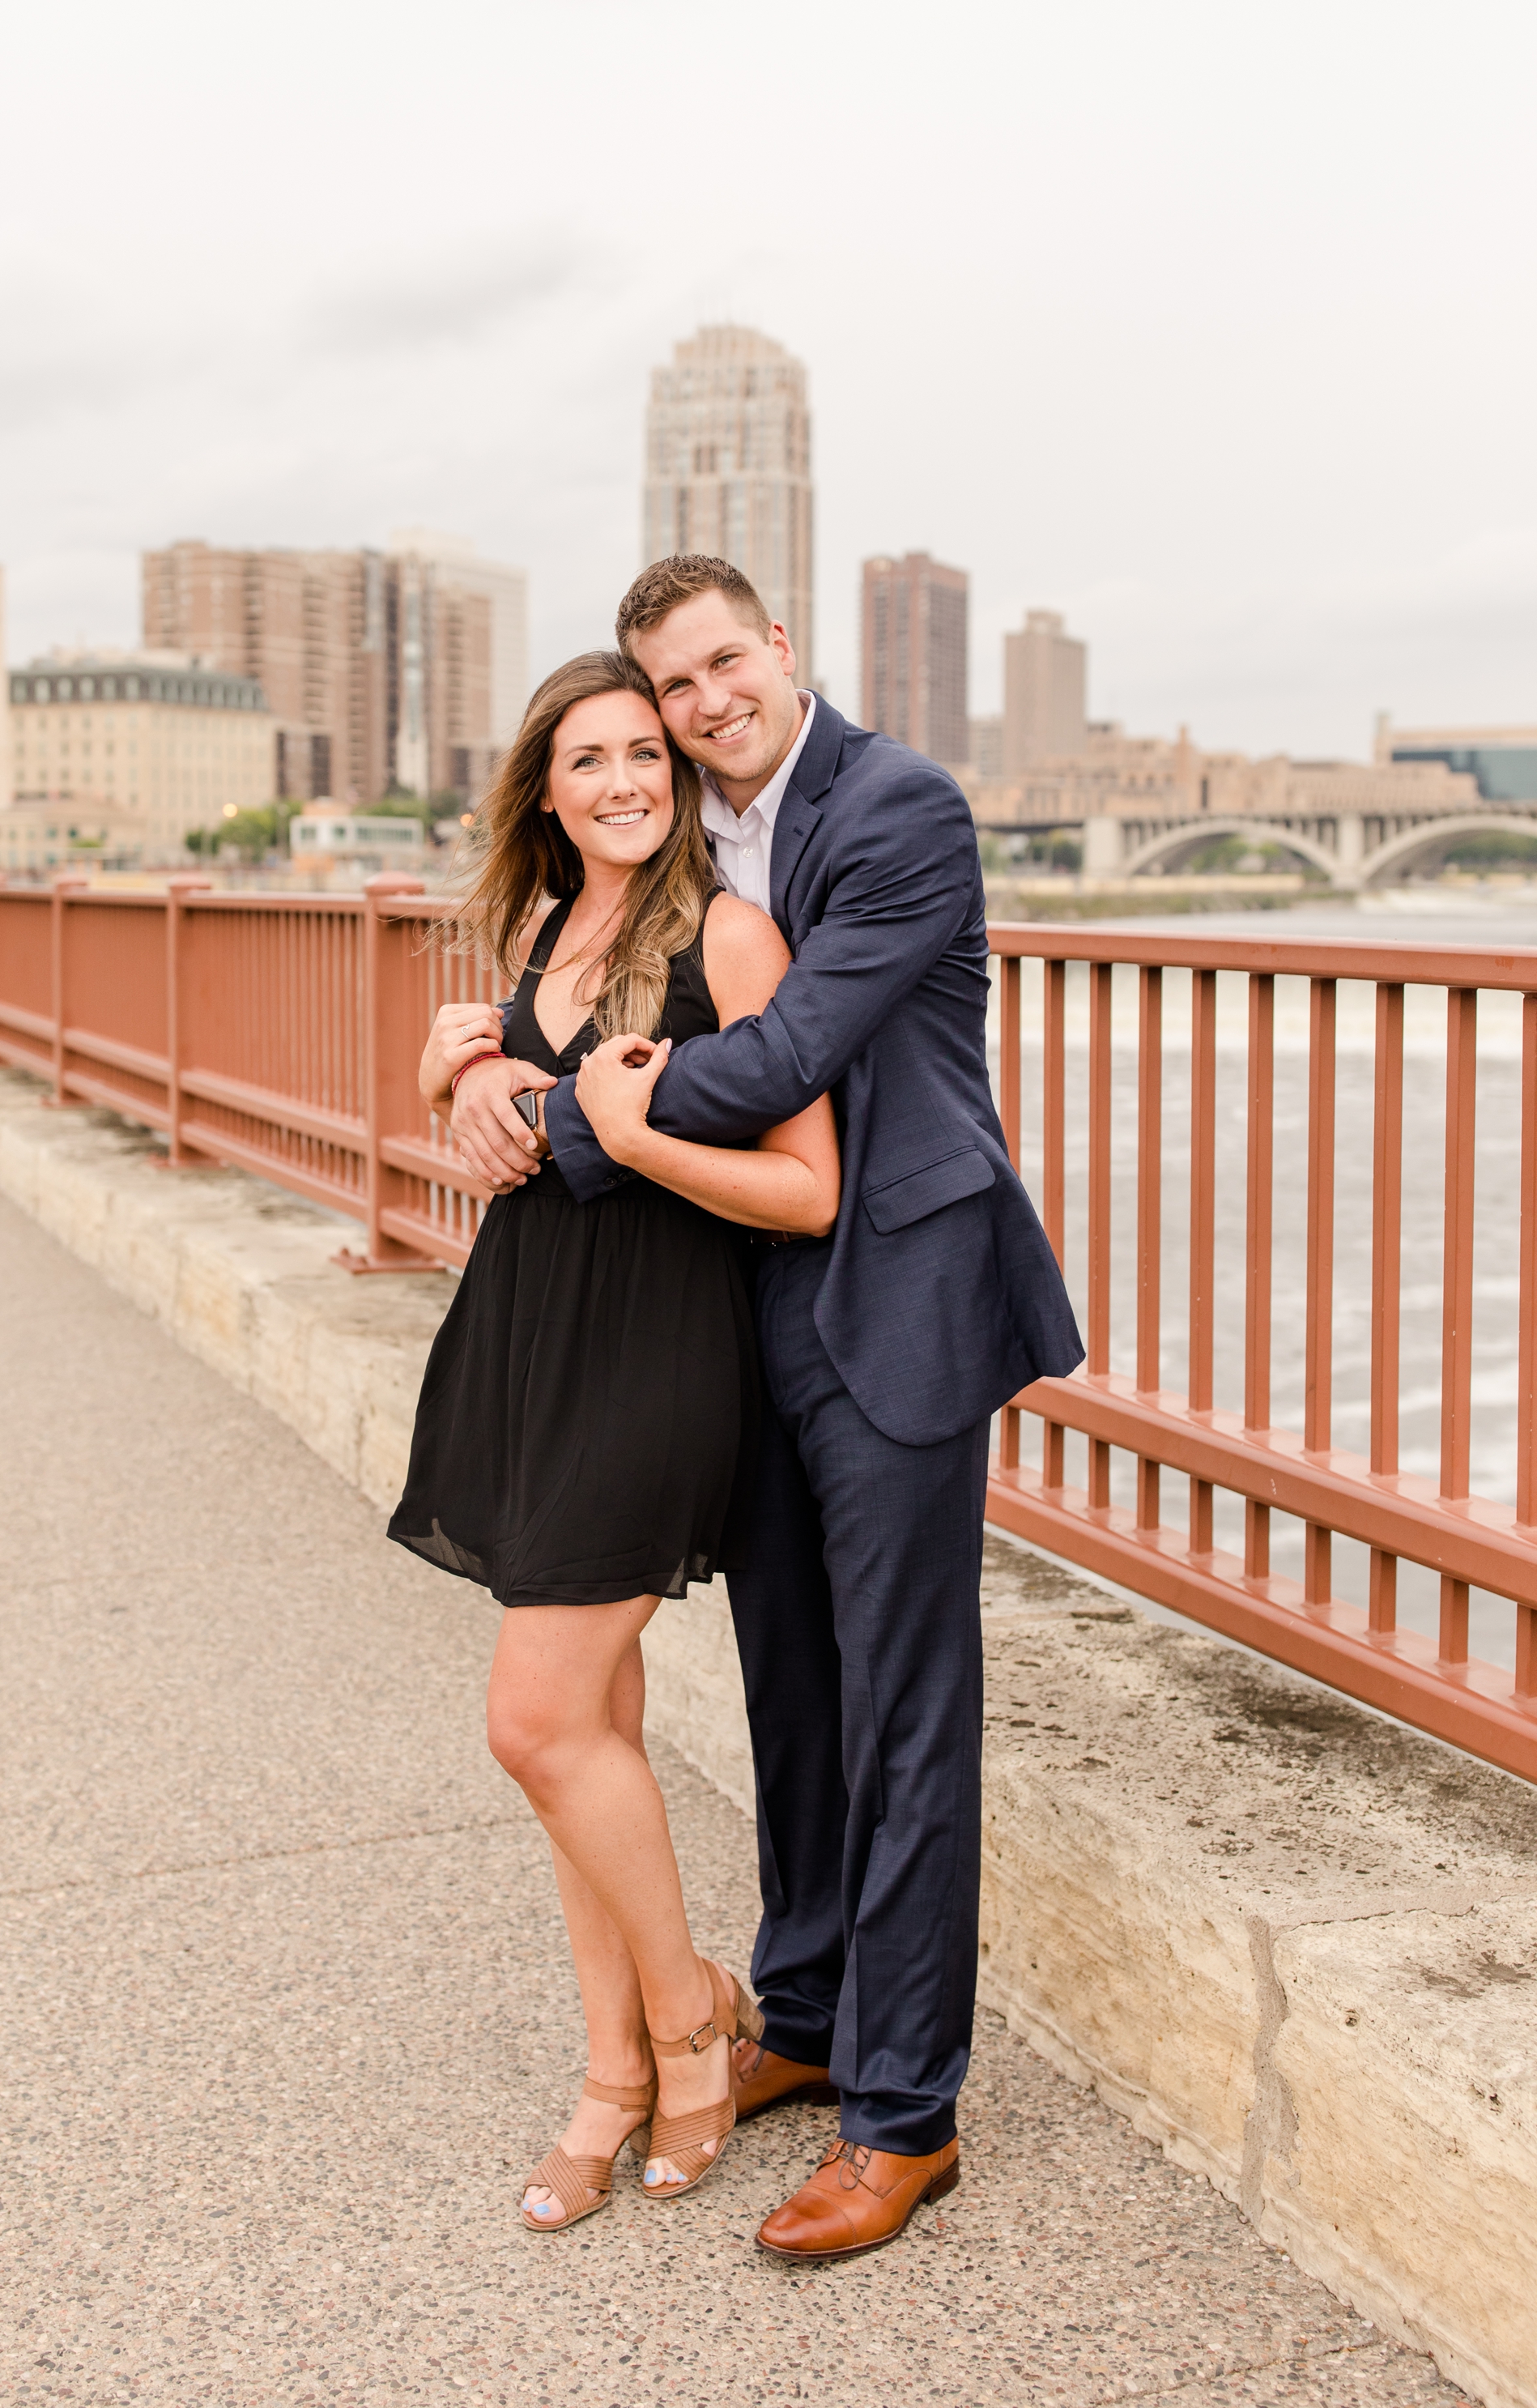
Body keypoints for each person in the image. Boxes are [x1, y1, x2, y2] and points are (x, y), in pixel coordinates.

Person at [447, 559, 1083, 2261]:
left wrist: (552, 1114)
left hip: (896, 1290)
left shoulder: (895, 809)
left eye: (726, 662)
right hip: (749, 1304)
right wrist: (476, 1052)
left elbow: (779, 1051)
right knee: (791, 1688)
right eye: (675, 684)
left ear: (779, 648)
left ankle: (903, 2113)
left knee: (902, 1711)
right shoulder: (695, 832)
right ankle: (797, 2009)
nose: (706, 700)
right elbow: (589, 989)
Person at [390, 649, 841, 2234]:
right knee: (594, 1734)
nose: (625, 782)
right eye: (589, 760)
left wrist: (642, 1140)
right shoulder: (536, 933)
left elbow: (809, 1190)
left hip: (656, 1353)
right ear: (547, 788)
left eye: (646, 753)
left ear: (681, 772)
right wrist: (456, 1074)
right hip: (527, 1338)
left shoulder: (727, 934)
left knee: (534, 1722)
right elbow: (507, 1137)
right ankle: (613, 2069)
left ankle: (693, 2018)